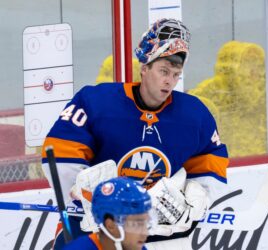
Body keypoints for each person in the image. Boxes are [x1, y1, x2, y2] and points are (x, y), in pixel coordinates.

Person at [42, 18, 229, 249]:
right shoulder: (96, 102)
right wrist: (90, 200)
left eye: (175, 74)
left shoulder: (195, 116)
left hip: (157, 232)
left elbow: (211, 160)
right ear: (145, 67)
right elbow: (61, 155)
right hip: (95, 229)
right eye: (163, 71)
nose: (169, 81)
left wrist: (199, 195)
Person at [63, 177, 152, 250]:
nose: (146, 233)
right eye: (136, 224)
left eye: (146, 223)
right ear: (110, 225)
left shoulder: (134, 247)